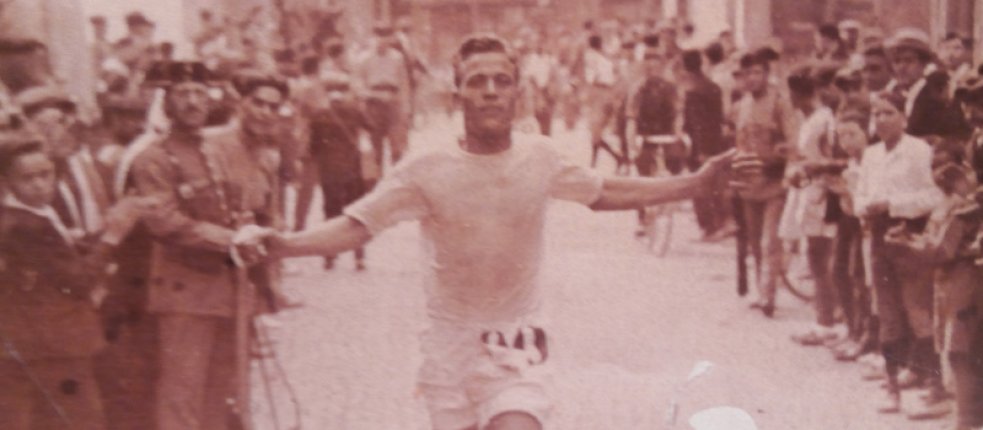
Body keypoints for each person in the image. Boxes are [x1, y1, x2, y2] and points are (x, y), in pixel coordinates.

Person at [239, 33, 733, 430]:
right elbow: (356, 226)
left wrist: (693, 182)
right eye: (478, 82)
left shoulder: (540, 157)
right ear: (458, 94)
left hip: (517, 337)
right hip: (449, 345)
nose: (491, 91)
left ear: (518, 92)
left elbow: (604, 191)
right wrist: (283, 245)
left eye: (502, 81)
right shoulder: (426, 169)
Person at [129, 61, 277, 430]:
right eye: (182, 94)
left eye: (199, 93)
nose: (193, 102)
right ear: (166, 102)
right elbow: (165, 222)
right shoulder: (153, 158)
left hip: (227, 290)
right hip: (184, 294)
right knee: (182, 392)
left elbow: (239, 204)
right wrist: (230, 239)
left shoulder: (216, 151)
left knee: (221, 390)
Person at [0, 131, 155, 430]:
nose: (39, 184)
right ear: (6, 182)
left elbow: (62, 256)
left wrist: (105, 230)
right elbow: (78, 280)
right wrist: (113, 236)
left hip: (43, 341)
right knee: (82, 420)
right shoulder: (24, 226)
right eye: (27, 178)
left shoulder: (33, 215)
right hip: (54, 344)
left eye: (45, 175)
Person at [855, 91, 944, 413]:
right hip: (879, 237)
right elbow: (860, 194)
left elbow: (934, 195)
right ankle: (892, 387)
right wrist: (866, 207)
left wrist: (893, 205)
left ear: (903, 117)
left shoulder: (918, 151)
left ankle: (934, 386)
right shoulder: (871, 154)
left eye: (889, 112)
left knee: (918, 311)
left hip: (910, 235)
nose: (881, 119)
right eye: (876, 113)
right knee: (888, 313)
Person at [732, 51, 797, 317]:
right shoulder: (742, 105)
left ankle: (768, 296)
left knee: (770, 241)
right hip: (749, 183)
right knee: (755, 241)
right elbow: (739, 143)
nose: (751, 78)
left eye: (757, 72)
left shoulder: (780, 103)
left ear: (767, 75)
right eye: (746, 73)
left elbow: (792, 141)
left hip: (774, 181)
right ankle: (762, 289)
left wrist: (782, 162)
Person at [783, 70, 840, 345]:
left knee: (820, 258)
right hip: (809, 191)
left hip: (823, 193)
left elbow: (830, 158)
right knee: (816, 258)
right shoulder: (809, 120)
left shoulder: (824, 120)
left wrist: (809, 168)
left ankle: (826, 322)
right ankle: (824, 318)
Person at [307, 71, 371, 270]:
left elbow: (313, 147)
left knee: (330, 210)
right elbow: (371, 127)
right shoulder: (354, 110)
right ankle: (359, 256)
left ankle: (329, 254)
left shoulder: (319, 114)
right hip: (352, 169)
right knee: (356, 211)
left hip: (329, 170)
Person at [678, 49, 729, 240]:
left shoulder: (693, 91)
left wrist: (700, 149)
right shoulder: (713, 87)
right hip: (716, 142)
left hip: (699, 146)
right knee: (716, 183)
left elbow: (697, 123)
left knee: (699, 185)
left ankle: (709, 227)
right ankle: (721, 221)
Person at [886, 28, 969, 140]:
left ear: (924, 64)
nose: (901, 67)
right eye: (897, 61)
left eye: (909, 61)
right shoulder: (894, 94)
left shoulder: (935, 97)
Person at [355, 23, 412, 170]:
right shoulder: (363, 59)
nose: (382, 40)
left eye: (386, 36)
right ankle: (379, 180)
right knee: (376, 148)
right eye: (379, 36)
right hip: (373, 105)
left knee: (397, 147)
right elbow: (358, 86)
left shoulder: (397, 57)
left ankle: (397, 179)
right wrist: (376, 95)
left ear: (391, 38)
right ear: (373, 37)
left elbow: (404, 83)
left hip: (393, 103)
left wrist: (405, 108)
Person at [584, 34, 623, 168]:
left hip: (599, 93)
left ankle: (600, 162)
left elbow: (591, 78)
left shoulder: (592, 57)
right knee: (595, 133)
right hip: (606, 93)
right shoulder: (605, 58)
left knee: (595, 132)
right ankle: (613, 158)